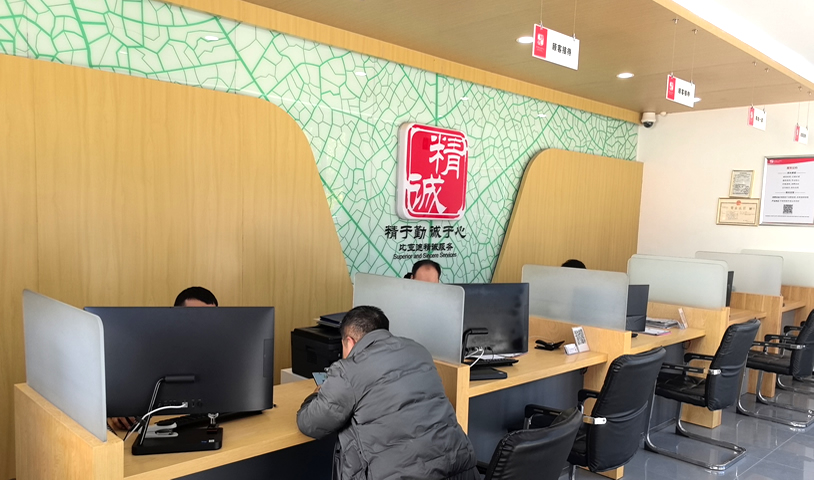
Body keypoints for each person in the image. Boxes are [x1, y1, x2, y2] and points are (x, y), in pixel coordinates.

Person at [297, 306, 478, 480]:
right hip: (461, 470)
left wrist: (316, 396)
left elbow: (311, 423)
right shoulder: (418, 350)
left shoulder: (349, 370)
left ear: (349, 342)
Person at [110, 287, 219, 431]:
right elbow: (121, 395)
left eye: (210, 318)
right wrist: (118, 408)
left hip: (210, 426)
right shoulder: (148, 352)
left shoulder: (222, 354)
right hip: (158, 429)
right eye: (196, 317)